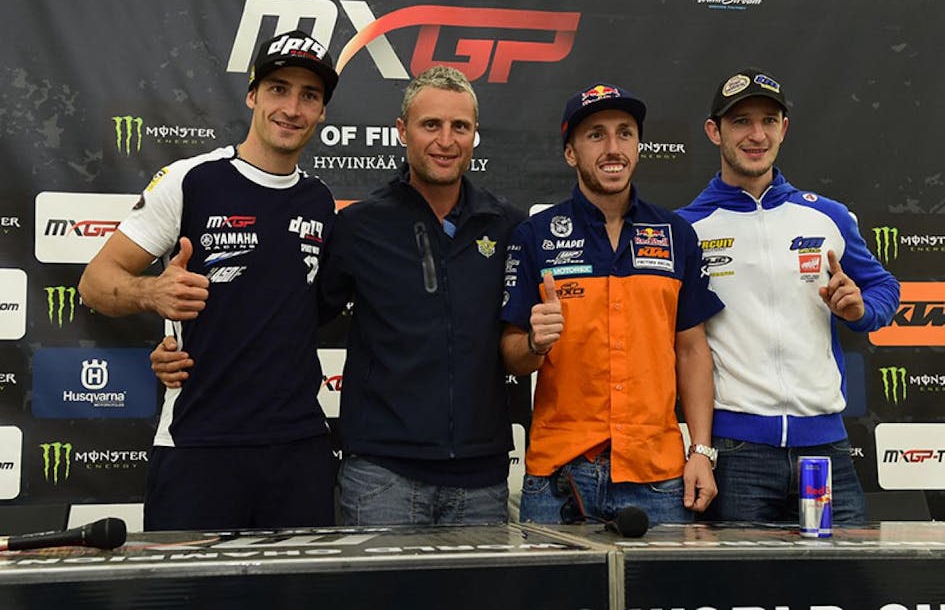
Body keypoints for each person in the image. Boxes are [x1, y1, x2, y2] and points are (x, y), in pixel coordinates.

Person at [78, 30, 340, 531]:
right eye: (278, 89)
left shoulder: (320, 200)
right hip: (199, 442)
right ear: (252, 95)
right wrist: (150, 292)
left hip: (299, 447)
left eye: (309, 95)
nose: (292, 108)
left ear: (322, 111)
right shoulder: (191, 179)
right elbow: (94, 282)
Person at [676, 67, 901, 524]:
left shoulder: (827, 217)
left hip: (826, 449)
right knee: (747, 573)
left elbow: (884, 287)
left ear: (784, 128)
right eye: (741, 121)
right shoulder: (686, 228)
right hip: (737, 452)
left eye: (768, 121)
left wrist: (861, 309)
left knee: (844, 570)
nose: (757, 135)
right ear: (714, 131)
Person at [500, 84, 724, 525]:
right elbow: (512, 355)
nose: (613, 148)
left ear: (638, 146)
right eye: (596, 135)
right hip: (559, 476)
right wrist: (535, 344)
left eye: (625, 133)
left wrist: (701, 450)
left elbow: (692, 350)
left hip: (657, 475)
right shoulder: (534, 236)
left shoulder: (676, 234)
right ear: (571, 153)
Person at [317, 66, 526, 525]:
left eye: (460, 126)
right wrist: (185, 345)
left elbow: (521, 344)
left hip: (481, 479)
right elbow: (295, 319)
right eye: (431, 124)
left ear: (475, 134)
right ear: (402, 130)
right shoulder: (360, 226)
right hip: (382, 476)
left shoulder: (507, 225)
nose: (446, 141)